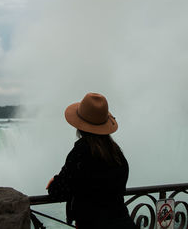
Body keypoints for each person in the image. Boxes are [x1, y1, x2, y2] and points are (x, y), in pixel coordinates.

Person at [46, 92, 137, 229]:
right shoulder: (116, 153)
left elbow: (58, 191)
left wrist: (55, 180)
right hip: (123, 223)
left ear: (80, 125)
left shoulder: (81, 152)